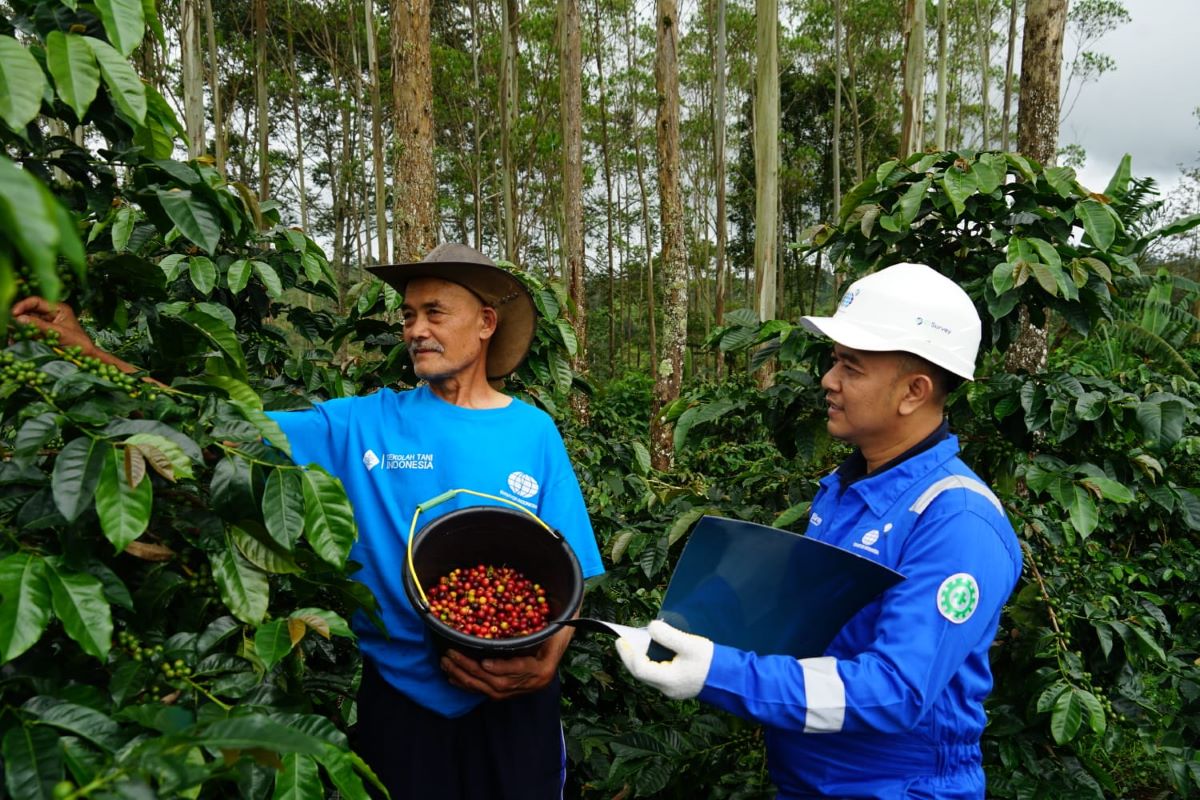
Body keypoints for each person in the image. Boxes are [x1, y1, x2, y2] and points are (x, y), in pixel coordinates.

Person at [13, 242, 605, 800]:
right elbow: (214, 423)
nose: (415, 329)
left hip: (515, 701)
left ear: (485, 322)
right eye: (407, 316)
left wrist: (547, 660)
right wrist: (87, 353)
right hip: (404, 698)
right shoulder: (360, 424)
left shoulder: (533, 432)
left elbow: (572, 566)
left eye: (434, 313)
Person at [615, 262, 1022, 799]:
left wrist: (719, 672)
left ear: (913, 391)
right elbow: (814, 628)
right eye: (835, 361)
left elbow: (895, 690)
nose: (829, 381)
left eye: (851, 367)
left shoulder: (957, 521)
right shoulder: (844, 489)